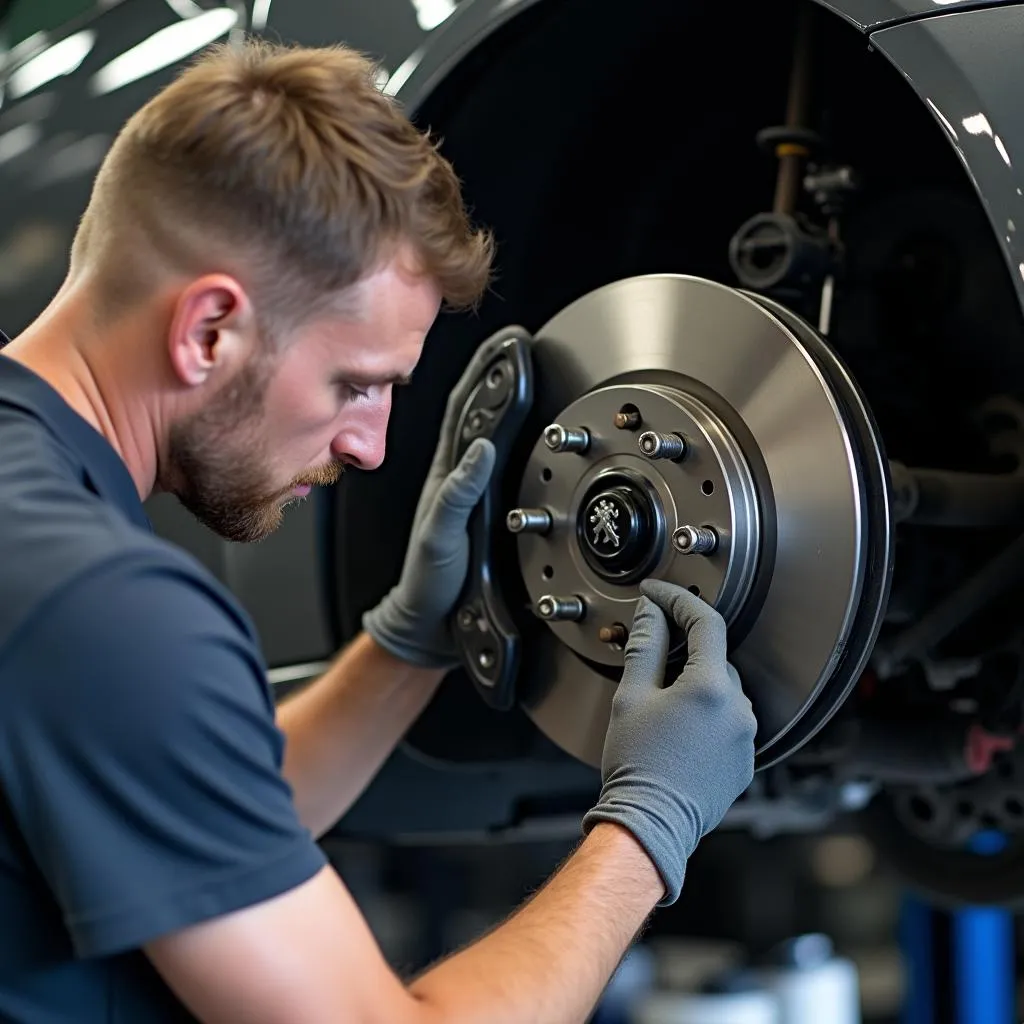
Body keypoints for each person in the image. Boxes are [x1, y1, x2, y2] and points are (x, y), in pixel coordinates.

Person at [0, 37, 757, 1024]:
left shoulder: (37, 527)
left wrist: (408, 640)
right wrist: (647, 828)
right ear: (208, 331)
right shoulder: (107, 608)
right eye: (354, 384)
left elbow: (186, 804)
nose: (370, 448)